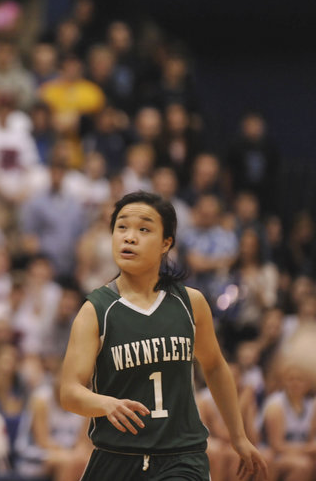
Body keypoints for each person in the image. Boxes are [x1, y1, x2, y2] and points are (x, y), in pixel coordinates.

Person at [59, 191, 268, 480]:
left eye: (143, 229)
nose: (129, 237)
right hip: (116, 458)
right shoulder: (96, 310)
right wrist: (105, 403)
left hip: (181, 457)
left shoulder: (190, 302)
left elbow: (215, 366)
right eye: (122, 227)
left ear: (166, 243)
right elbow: (69, 392)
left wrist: (239, 436)